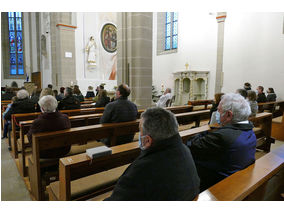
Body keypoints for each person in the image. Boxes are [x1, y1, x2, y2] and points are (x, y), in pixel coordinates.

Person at [105, 107, 200, 201]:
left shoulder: (141, 170)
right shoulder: (184, 149)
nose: (139, 135)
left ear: (147, 140)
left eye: (140, 131)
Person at [187, 93, 256, 192]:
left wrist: (204, 133)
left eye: (219, 110)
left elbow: (191, 144)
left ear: (229, 114)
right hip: (235, 176)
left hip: (215, 183)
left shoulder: (223, 136)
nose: (217, 113)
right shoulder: (249, 130)